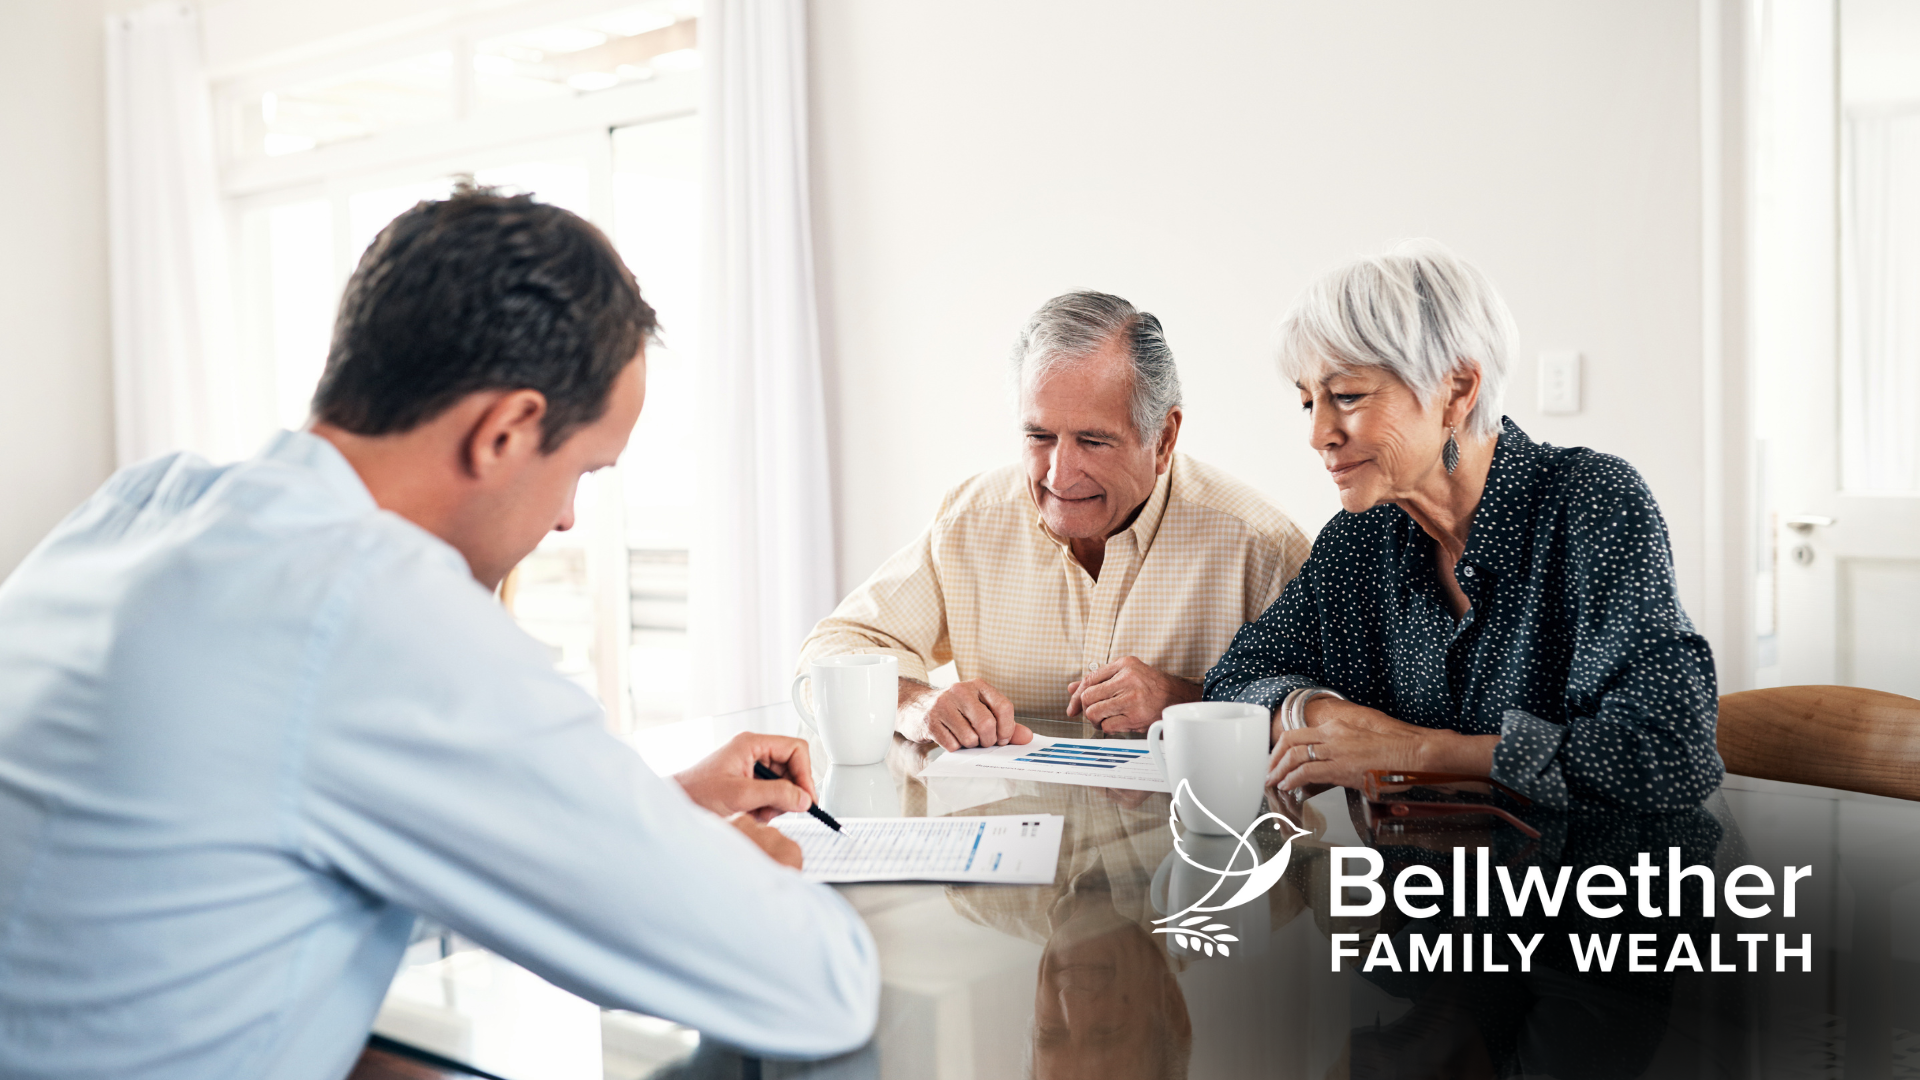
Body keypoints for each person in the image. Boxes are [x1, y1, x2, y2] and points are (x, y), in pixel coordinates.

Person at [0, 188, 877, 1080]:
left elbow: (269, 851)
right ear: (505, 431)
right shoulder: (370, 604)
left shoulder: (145, 505)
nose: (570, 519)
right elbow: (813, 984)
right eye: (582, 471)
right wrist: (720, 874)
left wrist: (659, 810)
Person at [1203, 241, 1723, 811]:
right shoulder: (1359, 539)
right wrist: (1328, 719)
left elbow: (1671, 754)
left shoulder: (1593, 502)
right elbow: (1235, 680)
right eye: (1309, 402)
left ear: (1457, 390)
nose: (1319, 432)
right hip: (1417, 891)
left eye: (1346, 395)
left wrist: (1420, 752)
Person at [799, 292, 1311, 751]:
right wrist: (916, 703)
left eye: (1093, 441)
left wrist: (1188, 703)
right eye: (1038, 436)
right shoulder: (971, 522)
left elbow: (1332, 715)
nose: (1059, 475)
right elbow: (832, 650)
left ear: (1164, 439)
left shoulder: (1259, 545)